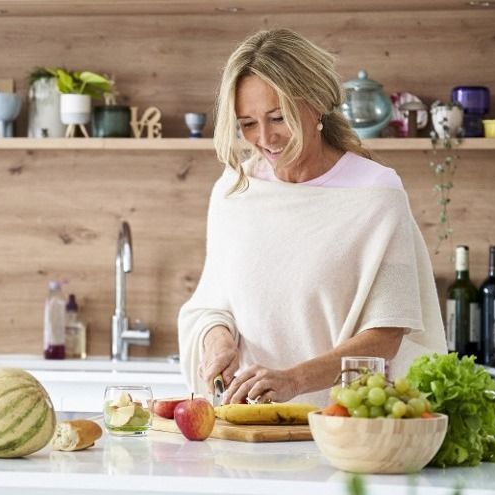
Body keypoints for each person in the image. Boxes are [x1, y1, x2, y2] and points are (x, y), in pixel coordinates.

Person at [177, 28, 446, 407]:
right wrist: (217, 339)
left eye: (278, 117)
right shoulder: (235, 191)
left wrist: (294, 380)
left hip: (345, 425)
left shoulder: (377, 194)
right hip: (252, 425)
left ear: (317, 102)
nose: (265, 138)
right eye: (248, 123)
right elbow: (212, 303)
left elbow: (386, 334)